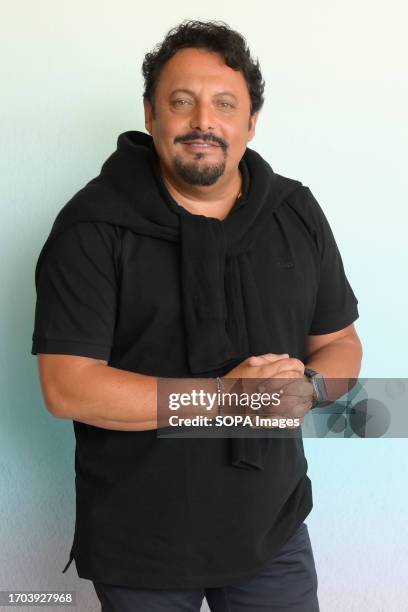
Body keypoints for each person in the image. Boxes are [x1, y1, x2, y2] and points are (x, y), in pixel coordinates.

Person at [31, 18, 363, 612]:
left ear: (250, 121)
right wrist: (225, 398)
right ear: (151, 114)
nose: (203, 122)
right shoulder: (90, 227)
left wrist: (310, 390)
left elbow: (340, 341)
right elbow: (67, 387)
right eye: (181, 102)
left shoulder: (296, 211)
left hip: (273, 534)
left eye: (224, 104)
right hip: (142, 546)